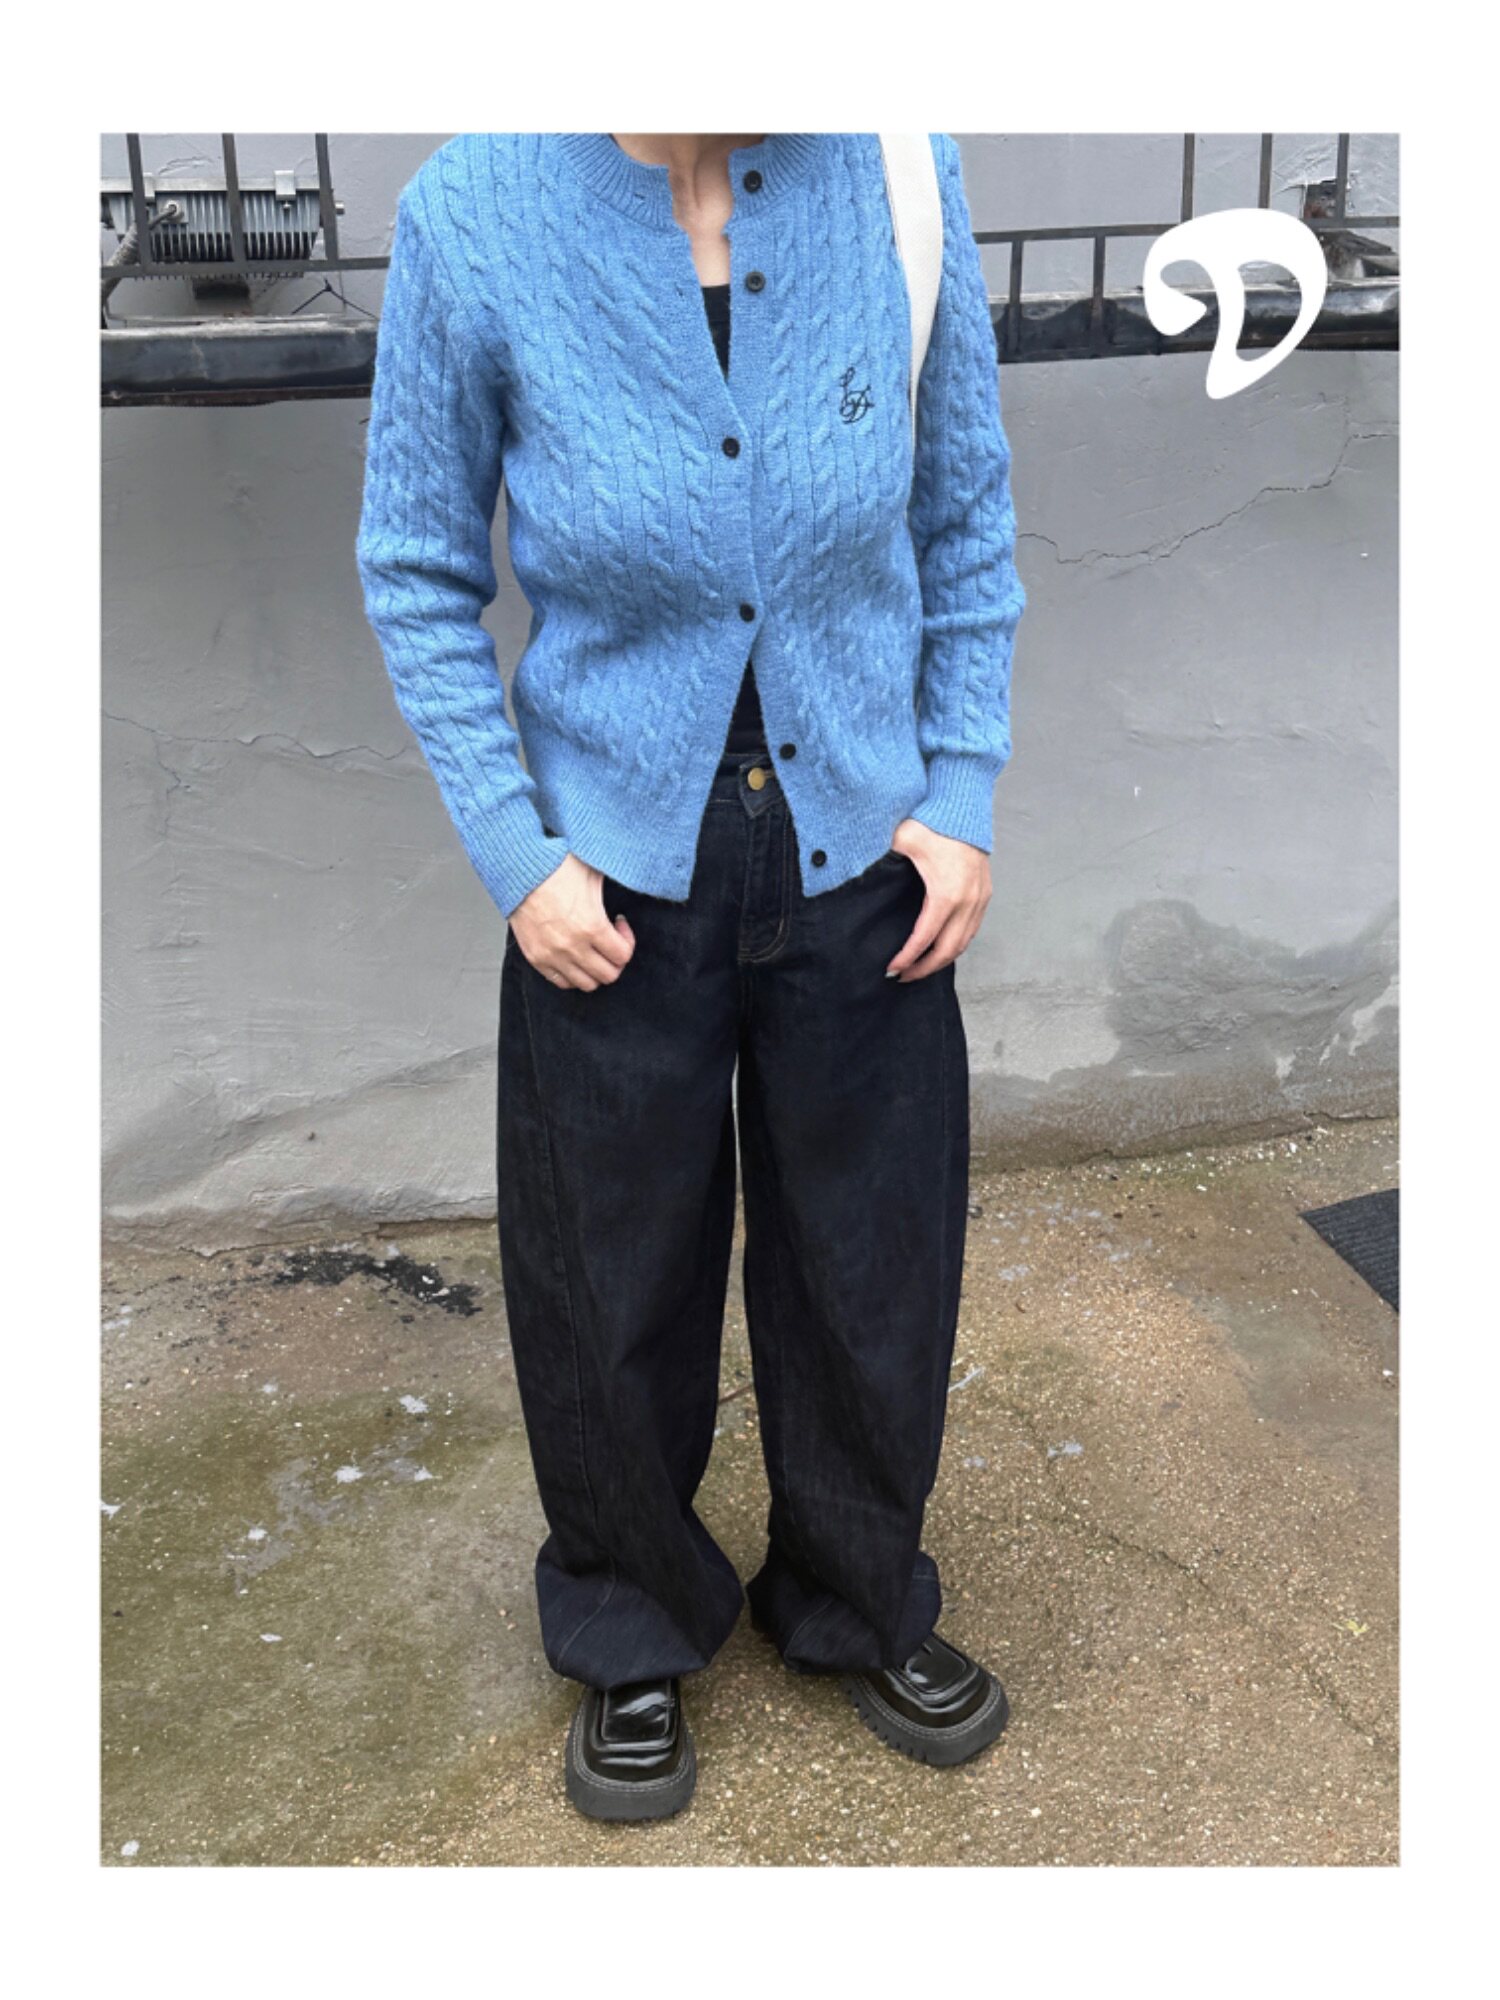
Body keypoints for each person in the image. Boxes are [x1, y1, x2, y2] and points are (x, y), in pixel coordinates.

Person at [357, 131, 1025, 1823]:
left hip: (864, 842)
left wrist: (960, 788)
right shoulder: (474, 215)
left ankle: (856, 1593)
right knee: (608, 1276)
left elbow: (963, 509)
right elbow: (416, 568)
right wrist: (517, 854)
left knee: (874, 1262)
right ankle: (631, 1623)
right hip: (607, 870)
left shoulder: (896, 174)